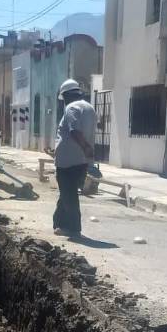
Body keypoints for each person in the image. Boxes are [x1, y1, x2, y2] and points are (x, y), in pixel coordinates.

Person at [52, 79, 96, 237]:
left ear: (66, 96)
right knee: (67, 192)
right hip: (81, 161)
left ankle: (73, 228)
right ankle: (58, 223)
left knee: (68, 194)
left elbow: (74, 131)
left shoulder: (72, 108)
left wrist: (85, 147)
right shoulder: (89, 107)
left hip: (67, 162)